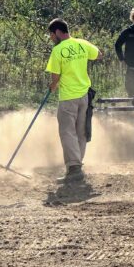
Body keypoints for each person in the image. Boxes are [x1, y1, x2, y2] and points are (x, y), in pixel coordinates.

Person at [45, 18, 102, 184]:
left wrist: (52, 86)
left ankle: (74, 167)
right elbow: (99, 54)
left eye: (51, 34)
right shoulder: (82, 43)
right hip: (84, 95)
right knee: (80, 131)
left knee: (67, 132)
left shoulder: (57, 51)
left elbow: (55, 77)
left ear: (57, 32)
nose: (51, 38)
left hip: (68, 98)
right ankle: (77, 166)